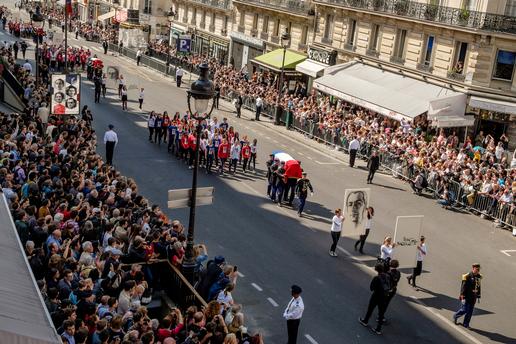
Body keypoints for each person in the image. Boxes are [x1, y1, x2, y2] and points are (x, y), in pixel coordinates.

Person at [359, 263, 390, 335]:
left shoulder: (376, 278)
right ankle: (378, 329)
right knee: (381, 312)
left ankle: (365, 321)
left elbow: (371, 288)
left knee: (370, 309)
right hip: (384, 297)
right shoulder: (387, 276)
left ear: (376, 270)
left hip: (376, 296)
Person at [453, 263, 482, 329]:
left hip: (473, 297)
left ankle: (466, 324)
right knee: (464, 309)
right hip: (466, 296)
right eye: (477, 269)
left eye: (479, 270)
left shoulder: (478, 277)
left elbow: (479, 286)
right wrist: (462, 296)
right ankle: (456, 315)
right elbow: (463, 287)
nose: (478, 271)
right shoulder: (467, 276)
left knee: (470, 311)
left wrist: (478, 295)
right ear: (473, 268)